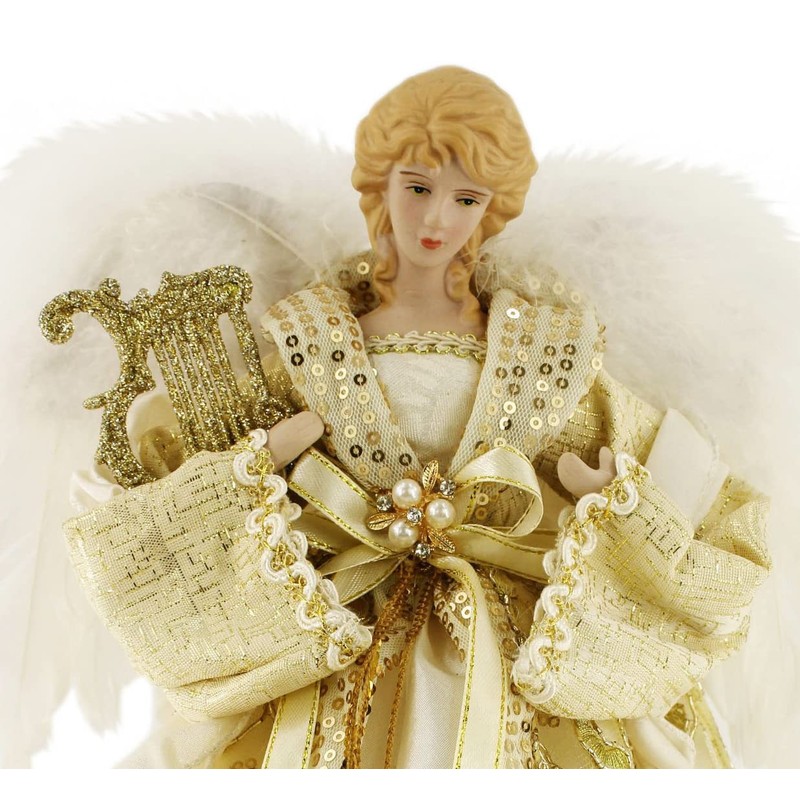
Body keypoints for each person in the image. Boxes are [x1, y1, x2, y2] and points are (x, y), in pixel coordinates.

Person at [60, 66, 770, 769]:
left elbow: (656, 457)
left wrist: (613, 490)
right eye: (419, 189)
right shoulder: (309, 337)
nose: (437, 220)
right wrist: (257, 462)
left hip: (507, 635)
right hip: (343, 626)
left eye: (466, 199)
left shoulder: (546, 350)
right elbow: (187, 460)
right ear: (381, 188)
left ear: (492, 209)